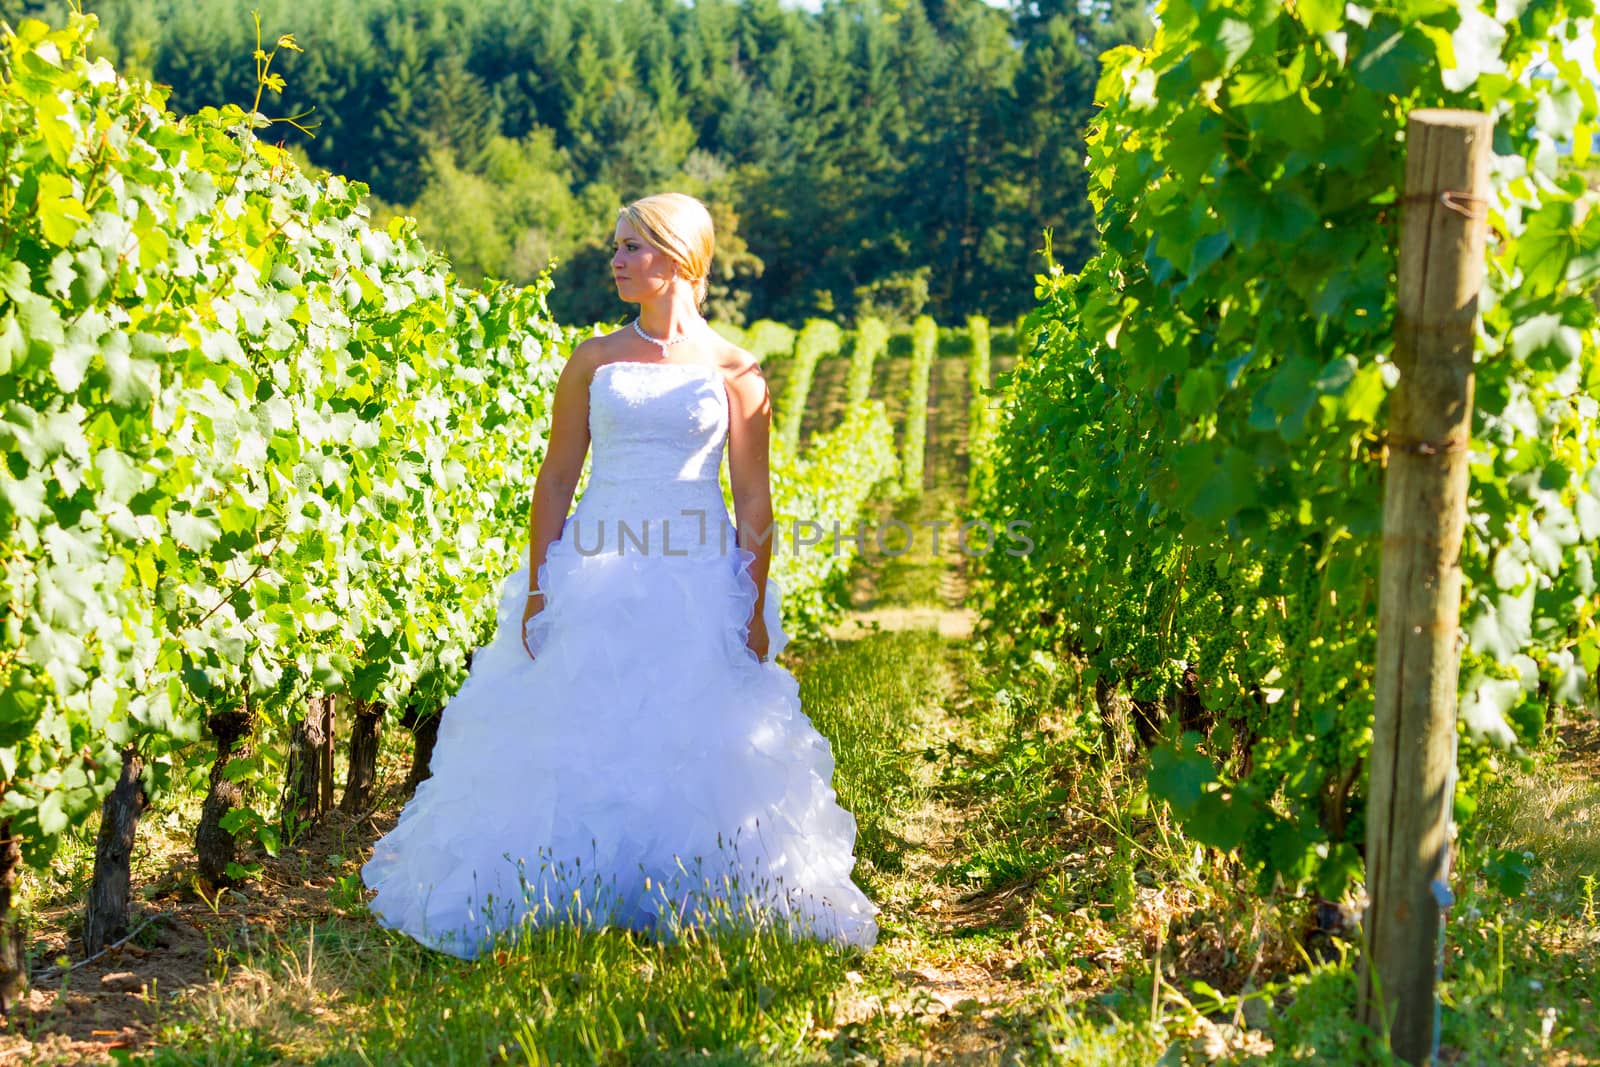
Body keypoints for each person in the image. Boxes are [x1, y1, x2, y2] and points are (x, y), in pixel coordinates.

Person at [360, 192, 879, 959]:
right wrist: (540, 584)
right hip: (596, 563)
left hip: (697, 571)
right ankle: (568, 886)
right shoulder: (594, 359)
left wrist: (754, 596)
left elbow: (754, 496)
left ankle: (687, 884)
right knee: (578, 721)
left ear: (678, 261)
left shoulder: (737, 370)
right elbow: (557, 476)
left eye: (633, 247)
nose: (617, 259)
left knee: (692, 727)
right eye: (617, 245)